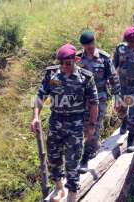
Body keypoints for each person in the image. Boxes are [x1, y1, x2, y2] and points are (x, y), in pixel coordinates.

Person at [31, 44, 99, 202]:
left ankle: (73, 193)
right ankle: (58, 187)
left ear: (76, 60)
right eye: (61, 63)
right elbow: (41, 95)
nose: (64, 67)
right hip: (56, 122)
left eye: (68, 63)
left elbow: (93, 103)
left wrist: (92, 126)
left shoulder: (85, 78)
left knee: (72, 161)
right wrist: (35, 116)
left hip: (75, 124)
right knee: (54, 158)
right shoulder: (52, 74)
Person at [76, 31, 121, 174]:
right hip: (82, 100)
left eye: (91, 45)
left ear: (95, 41)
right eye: (86, 46)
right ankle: (92, 145)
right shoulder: (77, 58)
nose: (89, 48)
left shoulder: (104, 58)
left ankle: (88, 156)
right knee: (84, 126)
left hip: (100, 97)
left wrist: (117, 97)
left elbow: (114, 78)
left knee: (94, 124)